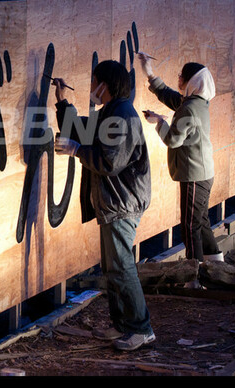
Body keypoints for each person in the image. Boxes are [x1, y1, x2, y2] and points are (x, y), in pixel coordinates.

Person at [52, 60, 155, 351]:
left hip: (122, 202)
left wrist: (76, 151)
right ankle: (123, 325)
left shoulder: (122, 115)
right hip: (114, 202)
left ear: (104, 85)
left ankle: (141, 329)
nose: (91, 88)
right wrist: (62, 103)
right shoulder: (113, 111)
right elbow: (83, 129)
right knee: (113, 267)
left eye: (94, 81)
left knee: (122, 266)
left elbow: (110, 161)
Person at [138, 55, 223, 284]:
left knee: (189, 225)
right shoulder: (197, 102)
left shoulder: (189, 109)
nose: (179, 79)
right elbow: (171, 97)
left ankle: (193, 277)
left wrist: (159, 122)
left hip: (195, 174)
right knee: (201, 221)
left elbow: (174, 140)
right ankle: (218, 267)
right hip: (202, 172)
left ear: (191, 81)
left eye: (181, 77)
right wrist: (149, 73)